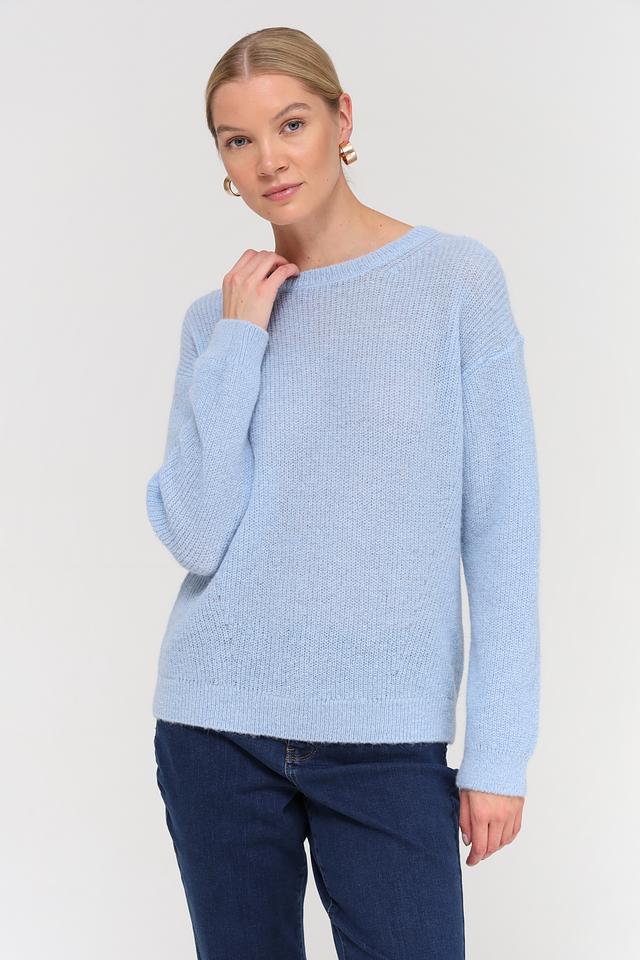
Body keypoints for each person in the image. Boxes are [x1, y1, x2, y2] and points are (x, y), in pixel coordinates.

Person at [146, 25, 541, 960]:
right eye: (238, 139)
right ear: (221, 160)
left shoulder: (454, 281)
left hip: (387, 738)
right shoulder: (215, 322)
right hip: (215, 726)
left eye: (291, 124)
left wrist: (497, 752)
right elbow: (196, 533)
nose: (269, 160)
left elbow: (503, 531)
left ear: (342, 119)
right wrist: (241, 339)